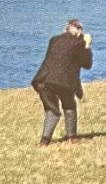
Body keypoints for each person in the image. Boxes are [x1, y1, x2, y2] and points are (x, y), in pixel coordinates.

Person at [32, 18, 93, 146]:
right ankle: (71, 137)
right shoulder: (79, 43)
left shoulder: (54, 40)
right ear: (77, 30)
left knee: (52, 110)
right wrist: (87, 44)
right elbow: (87, 64)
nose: (81, 31)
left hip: (42, 80)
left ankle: (44, 142)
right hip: (61, 81)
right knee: (69, 105)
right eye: (79, 28)